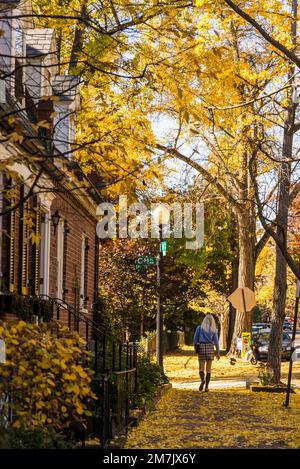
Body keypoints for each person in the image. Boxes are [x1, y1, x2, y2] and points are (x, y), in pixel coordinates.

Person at [193, 315, 220, 392]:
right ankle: (207, 387)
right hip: (210, 348)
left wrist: (195, 348)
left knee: (201, 368)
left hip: (201, 348)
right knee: (208, 369)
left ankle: (202, 381)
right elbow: (216, 342)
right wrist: (217, 352)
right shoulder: (213, 330)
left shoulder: (199, 328)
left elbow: (195, 339)